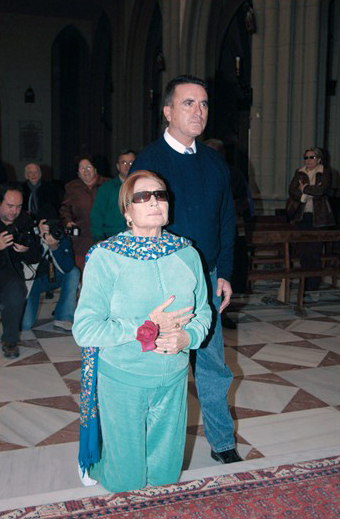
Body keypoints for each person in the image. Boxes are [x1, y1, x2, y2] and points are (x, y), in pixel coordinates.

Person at [73, 170, 211, 492]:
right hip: (123, 379)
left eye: (160, 195)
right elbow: (85, 329)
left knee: (165, 473)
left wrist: (188, 337)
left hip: (174, 379)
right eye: (142, 196)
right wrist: (144, 328)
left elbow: (204, 311)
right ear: (127, 211)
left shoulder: (188, 254)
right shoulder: (106, 258)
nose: (153, 201)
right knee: (127, 478)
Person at [130, 75, 241, 464]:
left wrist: (223, 271)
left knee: (212, 364)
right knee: (162, 366)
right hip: (165, 281)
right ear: (167, 110)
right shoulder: (150, 162)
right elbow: (142, 225)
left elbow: (227, 220)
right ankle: (156, 447)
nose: (199, 111)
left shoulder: (214, 163)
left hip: (207, 278)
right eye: (189, 103)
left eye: (204, 104)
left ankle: (223, 443)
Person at [0, 183, 42, 358]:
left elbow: (36, 256)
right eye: (10, 206)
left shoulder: (23, 221)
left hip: (9, 273)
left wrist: (26, 250)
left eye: (18, 207)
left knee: (17, 290)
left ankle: (10, 340)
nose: (14, 211)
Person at [288, 147, 335, 297]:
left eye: (312, 157)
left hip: (319, 218)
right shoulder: (299, 172)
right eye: (306, 157)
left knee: (315, 251)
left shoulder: (325, 172)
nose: (308, 160)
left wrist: (305, 188)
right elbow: (292, 190)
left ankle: (314, 284)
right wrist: (304, 195)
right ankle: (305, 283)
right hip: (303, 217)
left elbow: (322, 191)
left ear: (319, 159)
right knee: (303, 251)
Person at [21, 219, 80, 332]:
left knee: (74, 272)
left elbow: (68, 268)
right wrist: (38, 238)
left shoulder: (61, 236)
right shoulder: (31, 236)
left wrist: (55, 248)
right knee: (25, 325)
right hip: (33, 281)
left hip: (52, 278)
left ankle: (64, 317)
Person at [59, 155, 109, 271]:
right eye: (82, 168)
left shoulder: (108, 184)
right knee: (82, 271)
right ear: (78, 173)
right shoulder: (71, 187)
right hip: (80, 237)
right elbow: (65, 209)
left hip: (104, 235)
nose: (86, 171)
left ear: (95, 169)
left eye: (89, 167)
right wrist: (68, 221)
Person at [90, 149, 136, 242]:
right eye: (124, 163)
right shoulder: (106, 188)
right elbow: (97, 216)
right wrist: (98, 238)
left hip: (137, 238)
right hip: (111, 238)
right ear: (118, 166)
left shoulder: (143, 187)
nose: (127, 166)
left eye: (131, 163)